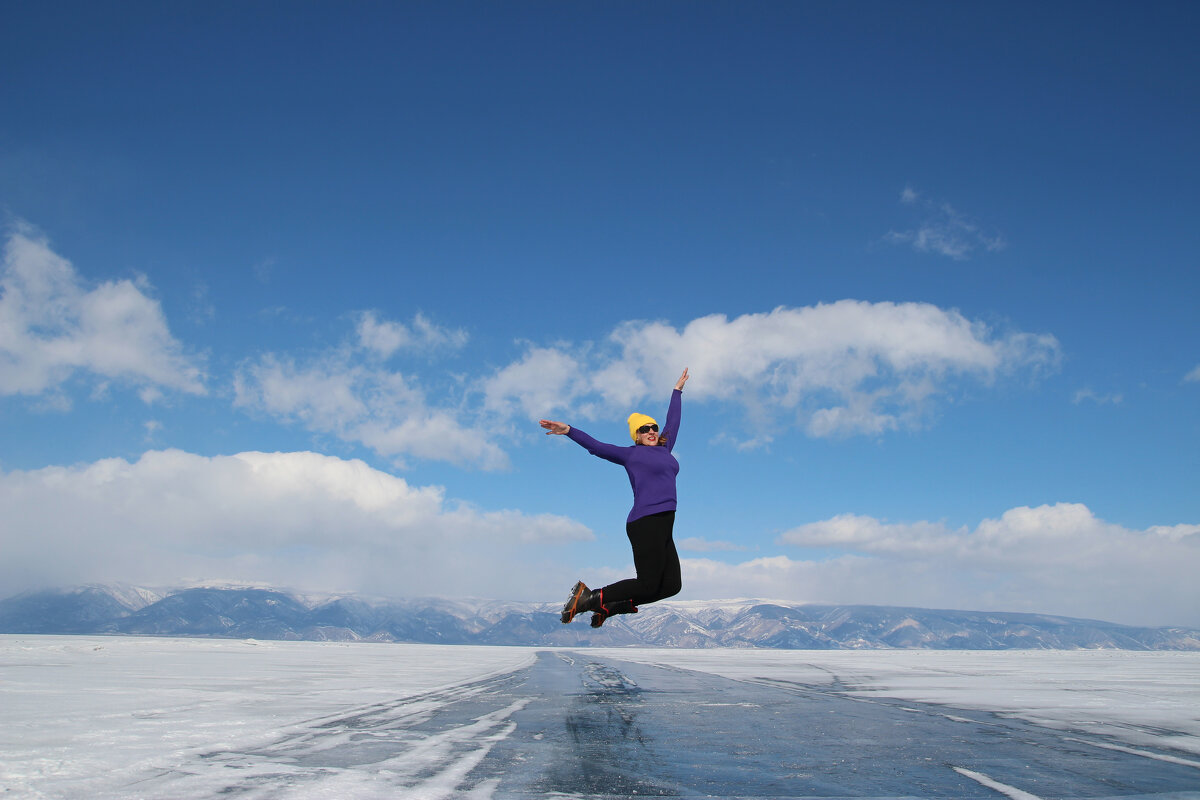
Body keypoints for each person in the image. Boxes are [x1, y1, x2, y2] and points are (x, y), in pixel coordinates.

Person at [539, 368, 689, 628]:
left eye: (653, 427)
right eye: (645, 429)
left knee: (672, 586)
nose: (652, 431)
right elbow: (597, 447)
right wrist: (569, 430)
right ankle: (590, 597)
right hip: (645, 522)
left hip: (665, 524)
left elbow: (673, 421)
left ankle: (612, 607)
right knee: (647, 583)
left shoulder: (665, 448)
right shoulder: (631, 455)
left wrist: (677, 391)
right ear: (637, 436)